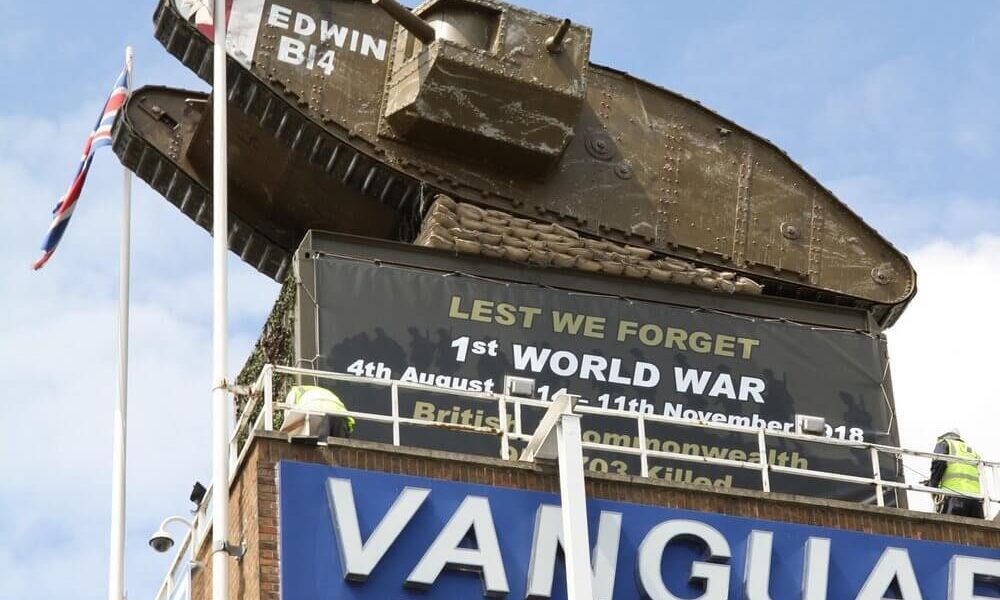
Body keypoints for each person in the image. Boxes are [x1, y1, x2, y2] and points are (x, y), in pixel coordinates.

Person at [929, 428, 984, 518]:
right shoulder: (972, 451)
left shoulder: (945, 443)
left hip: (954, 497)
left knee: (950, 526)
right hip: (975, 500)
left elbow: (939, 463)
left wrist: (932, 485)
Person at [284, 385, 355, 442]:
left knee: (319, 448)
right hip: (340, 415)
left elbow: (289, 420)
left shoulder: (295, 391)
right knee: (339, 449)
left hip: (315, 410)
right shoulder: (323, 392)